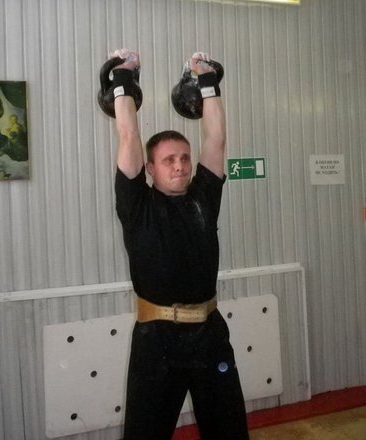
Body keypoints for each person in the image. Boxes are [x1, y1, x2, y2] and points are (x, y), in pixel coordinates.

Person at [109, 48, 250, 440]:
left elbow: (216, 138)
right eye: (169, 160)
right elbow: (128, 134)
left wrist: (207, 80)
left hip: (209, 335)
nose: (180, 165)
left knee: (230, 432)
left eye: (185, 158)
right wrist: (122, 78)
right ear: (150, 169)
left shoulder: (204, 197)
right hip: (157, 340)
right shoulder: (137, 205)